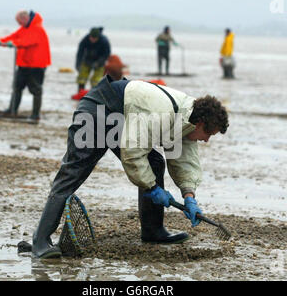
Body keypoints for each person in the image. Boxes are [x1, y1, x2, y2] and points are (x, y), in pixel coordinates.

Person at [31, 75, 229, 258]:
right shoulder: (164, 114)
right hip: (98, 108)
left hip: (123, 115)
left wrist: (189, 196)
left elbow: (184, 161)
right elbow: (133, 153)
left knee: (154, 162)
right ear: (200, 123)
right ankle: (40, 241)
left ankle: (153, 231)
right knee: (73, 172)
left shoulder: (186, 120)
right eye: (209, 134)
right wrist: (152, 188)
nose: (206, 140)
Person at [0, 10, 51, 121]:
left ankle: (35, 115)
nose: (19, 25)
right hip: (24, 64)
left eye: (19, 22)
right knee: (17, 87)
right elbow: (14, 36)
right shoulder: (25, 28)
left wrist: (13, 44)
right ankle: (12, 109)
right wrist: (1, 41)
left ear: (25, 18)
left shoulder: (37, 28)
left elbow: (27, 41)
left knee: (36, 90)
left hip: (36, 65)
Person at [72, 27, 111, 99]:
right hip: (87, 60)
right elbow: (80, 53)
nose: (92, 40)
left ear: (98, 37)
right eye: (91, 38)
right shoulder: (85, 39)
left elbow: (106, 54)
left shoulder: (104, 41)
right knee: (81, 78)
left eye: (94, 38)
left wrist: (98, 63)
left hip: (99, 62)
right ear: (89, 36)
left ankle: (96, 97)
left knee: (96, 81)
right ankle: (80, 94)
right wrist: (78, 64)